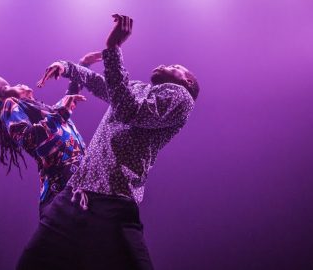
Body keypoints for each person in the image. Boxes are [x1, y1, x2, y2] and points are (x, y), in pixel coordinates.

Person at [17, 14, 199, 270]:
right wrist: (67, 66)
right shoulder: (135, 86)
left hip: (113, 203)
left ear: (187, 80)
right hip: (74, 196)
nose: (166, 64)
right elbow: (100, 84)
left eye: (175, 66)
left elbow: (129, 109)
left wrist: (113, 49)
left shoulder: (181, 97)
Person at [0, 52, 101, 208]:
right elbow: (30, 139)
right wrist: (62, 111)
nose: (19, 83)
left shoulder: (45, 112)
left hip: (77, 185)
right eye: (12, 87)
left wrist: (83, 65)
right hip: (62, 190)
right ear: (3, 99)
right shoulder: (9, 106)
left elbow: (68, 99)